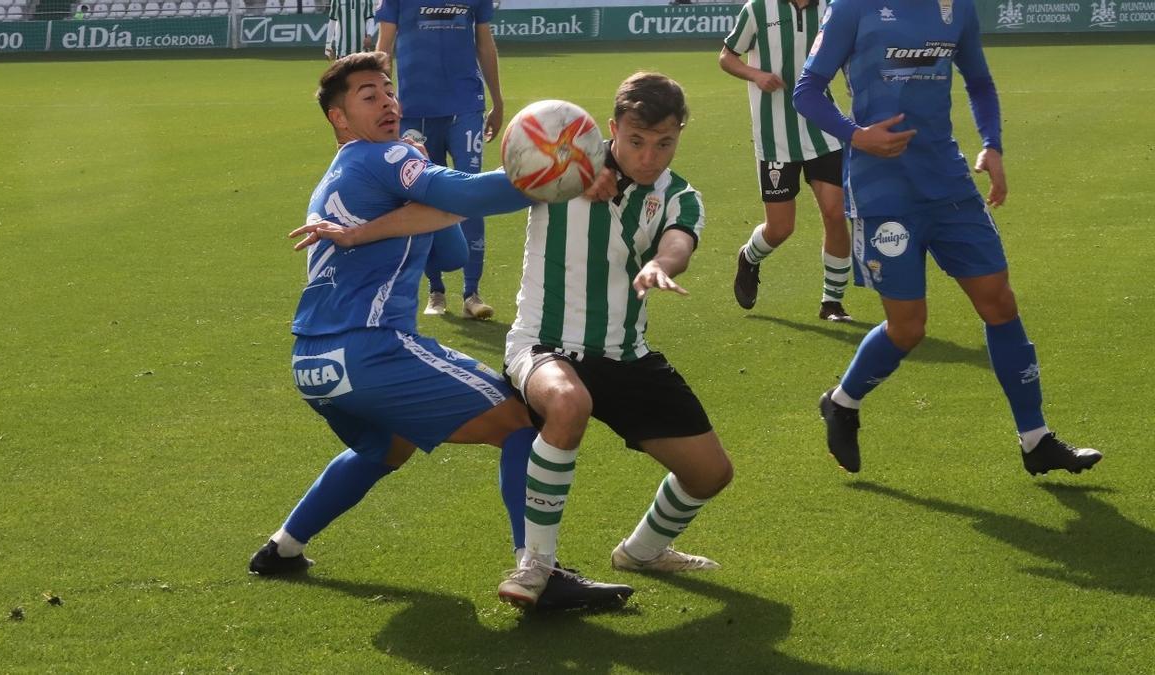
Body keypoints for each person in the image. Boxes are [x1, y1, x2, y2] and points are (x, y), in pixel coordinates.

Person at [248, 52, 632, 611]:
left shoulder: (348, 175)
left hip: (315, 363)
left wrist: (421, 193)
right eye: (368, 96)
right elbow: (472, 197)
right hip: (371, 347)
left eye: (388, 90)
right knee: (524, 418)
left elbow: (448, 252)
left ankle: (282, 547)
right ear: (339, 118)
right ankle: (539, 572)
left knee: (386, 447)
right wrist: (557, 170)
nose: (387, 101)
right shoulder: (380, 156)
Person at [793, 0, 1102, 475]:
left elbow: (978, 80)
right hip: (884, 192)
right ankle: (843, 403)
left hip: (949, 184)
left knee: (999, 301)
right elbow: (807, 90)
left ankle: (1035, 438)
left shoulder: (956, 8)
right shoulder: (853, 7)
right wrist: (856, 135)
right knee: (908, 328)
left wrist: (992, 145)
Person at [494, 72, 735, 606]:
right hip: (544, 343)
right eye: (636, 142)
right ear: (612, 131)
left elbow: (679, 242)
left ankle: (643, 550)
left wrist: (659, 264)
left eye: (665, 143)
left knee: (711, 474)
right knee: (568, 402)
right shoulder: (564, 165)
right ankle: (536, 566)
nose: (649, 157)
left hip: (627, 356)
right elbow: (501, 174)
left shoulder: (680, 195)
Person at [718, 0, 853, 322]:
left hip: (824, 129)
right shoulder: (758, 9)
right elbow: (727, 56)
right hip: (774, 136)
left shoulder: (831, 9)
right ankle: (749, 258)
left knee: (835, 213)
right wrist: (755, 74)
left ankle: (831, 302)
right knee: (780, 228)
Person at [375, 0, 504, 320]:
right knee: (425, 197)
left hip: (465, 107)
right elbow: (384, 49)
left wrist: (498, 99)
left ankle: (472, 292)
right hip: (414, 113)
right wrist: (384, 104)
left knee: (471, 195)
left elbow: (484, 43)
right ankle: (436, 290)